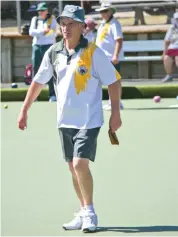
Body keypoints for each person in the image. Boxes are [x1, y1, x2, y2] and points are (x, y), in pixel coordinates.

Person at [18, 5, 122, 233]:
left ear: (82, 27)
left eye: (71, 23)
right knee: (72, 169)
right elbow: (38, 82)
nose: (65, 28)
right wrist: (25, 109)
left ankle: (91, 213)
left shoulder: (94, 53)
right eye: (63, 23)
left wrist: (116, 113)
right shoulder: (53, 52)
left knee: (79, 164)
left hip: (89, 121)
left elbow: (114, 82)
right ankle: (83, 211)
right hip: (64, 121)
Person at [95, 2, 124, 110]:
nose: (103, 13)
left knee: (114, 80)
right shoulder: (103, 24)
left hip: (111, 57)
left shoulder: (114, 24)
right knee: (109, 80)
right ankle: (113, 101)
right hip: (103, 57)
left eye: (105, 11)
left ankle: (117, 103)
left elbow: (119, 40)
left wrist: (115, 55)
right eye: (102, 11)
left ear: (111, 11)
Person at [29, 2, 57, 102]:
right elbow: (31, 32)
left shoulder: (52, 19)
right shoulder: (35, 19)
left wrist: (41, 33)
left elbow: (53, 34)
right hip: (36, 47)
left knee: (50, 69)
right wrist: (42, 32)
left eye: (43, 10)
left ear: (46, 11)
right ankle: (34, 96)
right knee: (35, 70)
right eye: (39, 11)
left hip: (49, 47)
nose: (41, 12)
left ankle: (52, 95)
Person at [162, 12, 178, 82]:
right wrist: (164, 52)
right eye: (177, 19)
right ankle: (169, 75)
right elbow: (166, 41)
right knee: (166, 58)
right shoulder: (171, 28)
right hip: (172, 49)